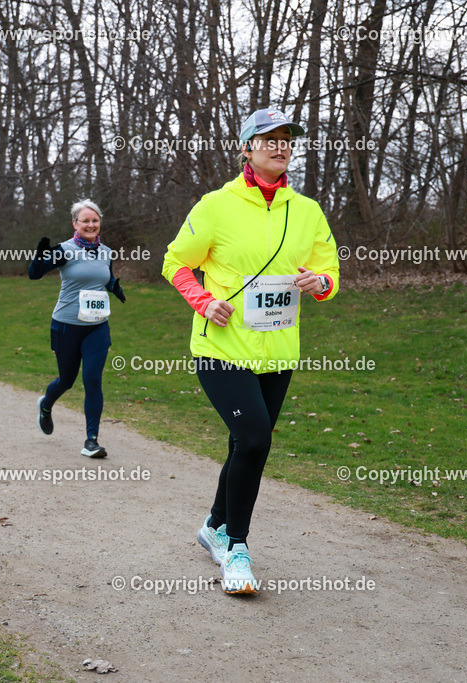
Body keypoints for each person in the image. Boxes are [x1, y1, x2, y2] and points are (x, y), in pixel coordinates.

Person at [162, 108, 340, 594]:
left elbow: (329, 273)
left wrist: (320, 282)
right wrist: (203, 300)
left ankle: (213, 525)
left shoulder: (307, 211)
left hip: (278, 351)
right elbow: (175, 262)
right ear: (246, 149)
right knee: (256, 439)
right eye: (269, 139)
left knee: (245, 443)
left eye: (286, 139)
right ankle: (236, 548)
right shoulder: (215, 206)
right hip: (221, 347)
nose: (280, 146)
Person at [28, 199, 125, 458]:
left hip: (97, 326)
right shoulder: (65, 250)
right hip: (66, 326)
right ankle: (46, 404)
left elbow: (104, 278)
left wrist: (114, 287)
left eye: (95, 220)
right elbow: (34, 274)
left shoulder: (106, 251)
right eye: (85, 221)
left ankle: (91, 441)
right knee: (66, 380)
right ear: (75, 223)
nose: (91, 225)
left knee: (92, 380)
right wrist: (39, 257)